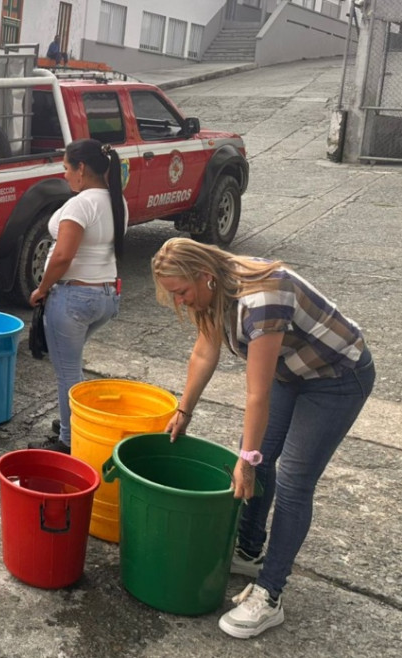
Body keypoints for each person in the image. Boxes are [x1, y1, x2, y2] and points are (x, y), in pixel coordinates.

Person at [151, 237, 376, 639]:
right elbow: (204, 353)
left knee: (291, 478)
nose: (180, 302)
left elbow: (257, 395)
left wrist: (246, 458)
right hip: (292, 371)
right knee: (262, 456)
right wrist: (183, 411)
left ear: (204, 276)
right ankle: (250, 550)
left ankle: (270, 594)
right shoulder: (214, 289)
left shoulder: (260, 300)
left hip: (337, 377)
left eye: (182, 292)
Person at [27, 139, 126, 454]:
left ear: (81, 168)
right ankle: (74, 421)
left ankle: (70, 441)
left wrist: (42, 289)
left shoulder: (81, 204)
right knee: (72, 365)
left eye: (67, 167)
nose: (64, 173)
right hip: (107, 296)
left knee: (68, 373)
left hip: (74, 299)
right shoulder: (115, 201)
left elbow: (62, 257)